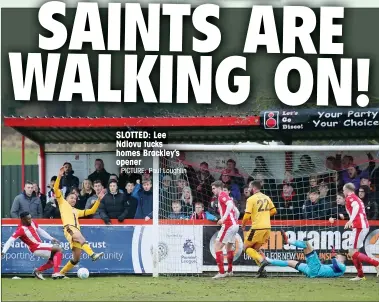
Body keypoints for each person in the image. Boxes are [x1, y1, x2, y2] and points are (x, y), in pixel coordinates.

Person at [53, 166, 106, 278]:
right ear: (66, 198)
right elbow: (56, 189)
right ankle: (92, 254)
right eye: (71, 197)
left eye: (75, 199)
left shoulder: (76, 211)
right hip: (69, 228)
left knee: (76, 259)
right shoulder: (62, 203)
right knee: (81, 238)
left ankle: (60, 273)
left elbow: (91, 210)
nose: (74, 199)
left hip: (75, 230)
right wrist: (59, 176)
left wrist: (99, 200)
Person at [1, 212, 63, 280]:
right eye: (28, 219)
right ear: (22, 220)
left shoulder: (32, 222)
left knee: (53, 260)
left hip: (40, 245)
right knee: (58, 249)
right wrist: (3, 252)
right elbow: (10, 241)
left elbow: (40, 231)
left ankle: (38, 271)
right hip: (35, 248)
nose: (30, 220)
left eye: (30, 218)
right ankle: (56, 273)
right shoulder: (20, 229)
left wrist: (51, 238)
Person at [265, 230, 347, 278]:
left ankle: (288, 241)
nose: (337, 256)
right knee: (290, 262)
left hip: (316, 270)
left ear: (343, 259)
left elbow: (336, 266)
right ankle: (268, 260)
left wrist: (333, 257)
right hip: (311, 271)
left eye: (338, 256)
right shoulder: (338, 269)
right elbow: (331, 269)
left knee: (306, 244)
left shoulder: (342, 267)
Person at [342, 183, 379, 281]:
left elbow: (356, 207)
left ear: (347, 190)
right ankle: (360, 275)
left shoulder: (350, 197)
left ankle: (377, 264)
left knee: (351, 252)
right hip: (361, 226)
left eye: (343, 190)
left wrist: (350, 220)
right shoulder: (357, 198)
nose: (343, 192)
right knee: (355, 251)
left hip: (359, 226)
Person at [241, 180, 277, 278]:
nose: (248, 189)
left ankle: (262, 260)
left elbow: (247, 215)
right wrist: (263, 215)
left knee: (246, 248)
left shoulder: (251, 199)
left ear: (253, 188)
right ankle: (262, 272)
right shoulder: (266, 197)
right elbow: (274, 210)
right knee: (255, 249)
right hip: (267, 228)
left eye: (249, 187)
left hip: (257, 228)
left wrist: (243, 225)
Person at [211, 181, 240, 279]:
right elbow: (237, 211)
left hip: (228, 225)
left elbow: (230, 206)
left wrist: (223, 218)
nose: (212, 190)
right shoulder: (226, 196)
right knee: (228, 247)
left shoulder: (221, 195)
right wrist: (234, 219)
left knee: (217, 246)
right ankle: (230, 271)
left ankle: (222, 272)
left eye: (214, 188)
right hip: (234, 225)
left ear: (219, 188)